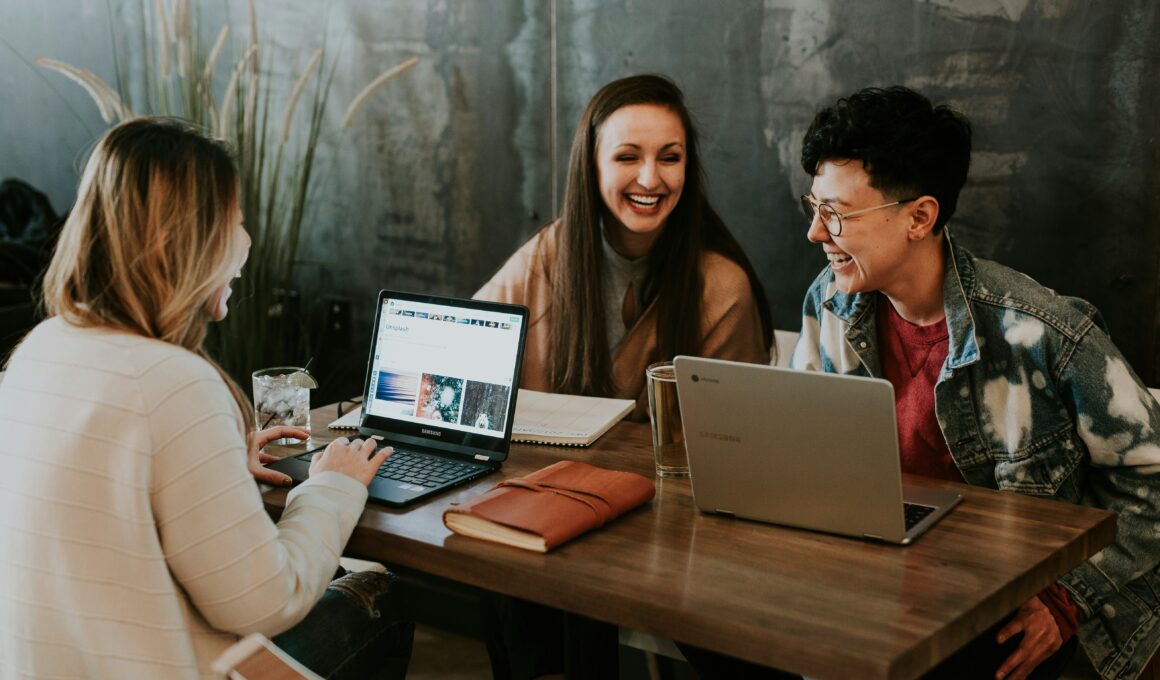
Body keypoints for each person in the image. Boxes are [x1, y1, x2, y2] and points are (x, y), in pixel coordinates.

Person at [0, 117, 413, 679]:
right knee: (381, 597)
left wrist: (214, 460)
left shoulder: (39, 349)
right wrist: (332, 486)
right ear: (183, 242)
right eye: (236, 222)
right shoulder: (174, 381)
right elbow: (266, 601)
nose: (245, 243)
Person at [791, 86, 1160, 680]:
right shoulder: (830, 301)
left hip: (1010, 606)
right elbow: (800, 451)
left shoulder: (1043, 332)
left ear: (920, 217)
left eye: (836, 213)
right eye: (813, 205)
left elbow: (1153, 480)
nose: (815, 232)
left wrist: (1069, 600)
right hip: (885, 590)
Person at [476, 73, 773, 421]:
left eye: (670, 158)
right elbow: (461, 351)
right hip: (537, 474)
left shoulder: (723, 287)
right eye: (627, 157)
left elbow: (734, 436)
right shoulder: (546, 255)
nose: (650, 179)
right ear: (592, 166)